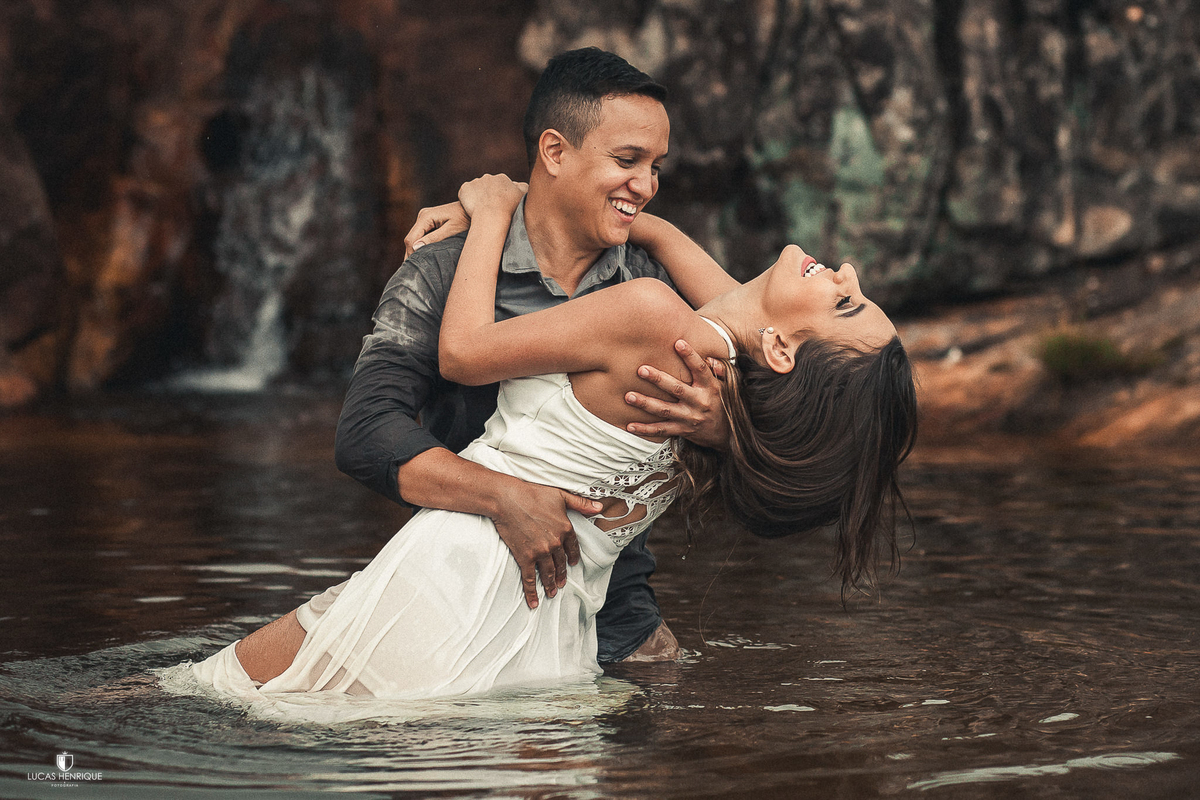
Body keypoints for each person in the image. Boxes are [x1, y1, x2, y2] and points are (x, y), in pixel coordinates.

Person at [190, 173, 918, 703]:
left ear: (786, 351)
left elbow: (464, 352)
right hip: (550, 627)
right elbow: (724, 290)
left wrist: (492, 210)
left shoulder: (652, 316)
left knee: (193, 701)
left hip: (454, 579)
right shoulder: (732, 395)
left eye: (846, 300)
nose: (846, 270)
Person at [333, 48, 725, 665]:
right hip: (469, 591)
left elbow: (768, 413)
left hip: (617, 614)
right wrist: (503, 496)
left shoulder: (654, 289)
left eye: (655, 166)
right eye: (627, 160)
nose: (647, 186)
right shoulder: (443, 271)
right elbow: (365, 433)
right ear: (554, 152)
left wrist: (717, 424)